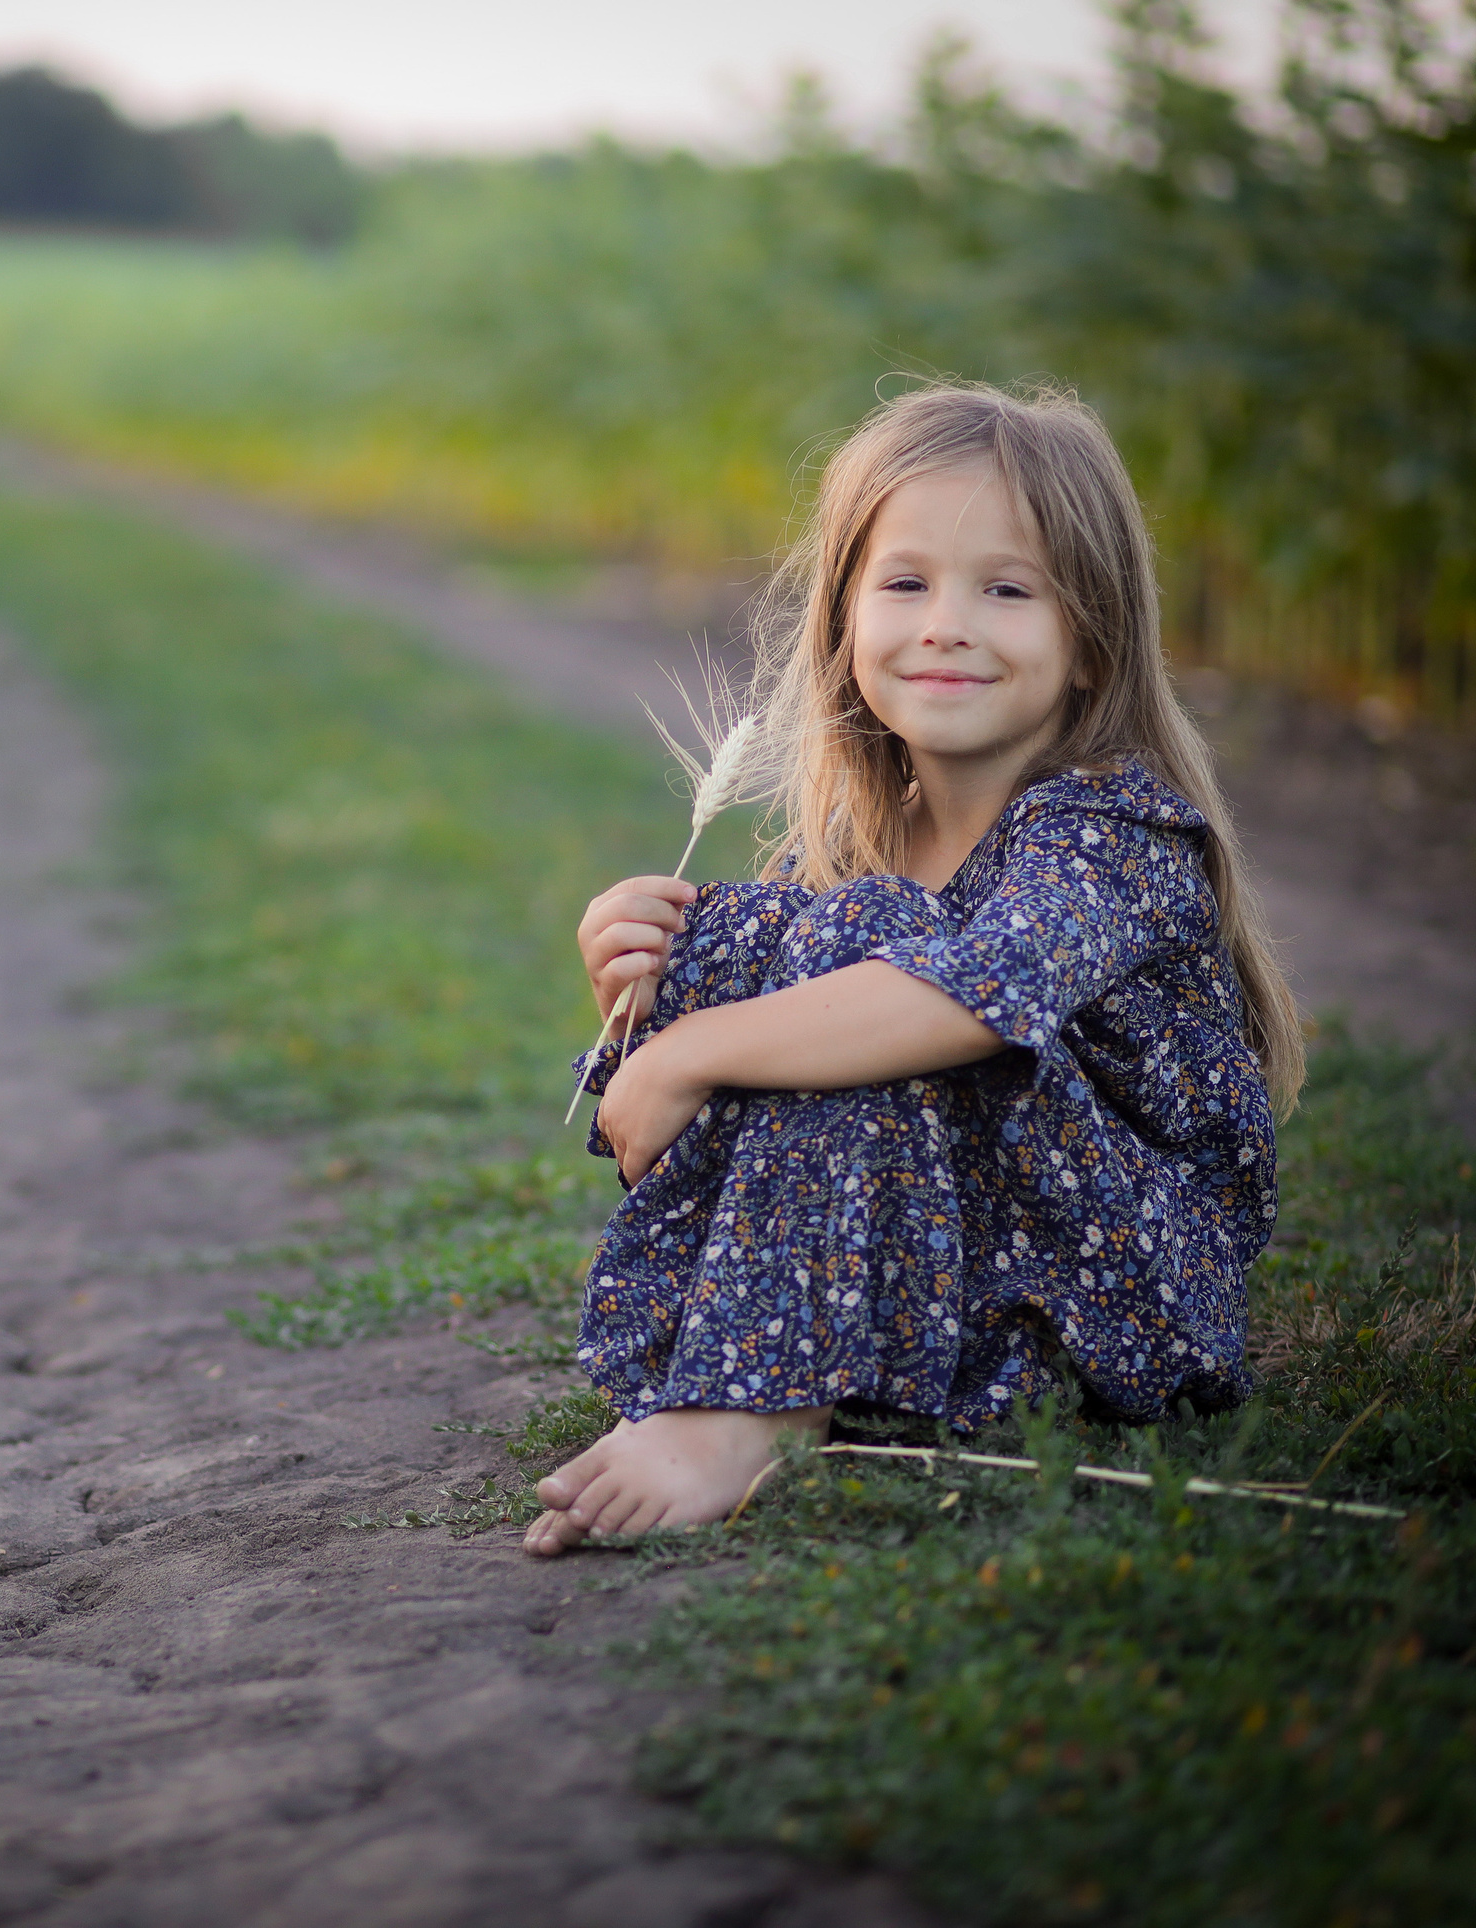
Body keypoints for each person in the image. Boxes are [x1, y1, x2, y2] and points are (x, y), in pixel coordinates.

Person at [524, 381, 1303, 1556]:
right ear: (841, 618)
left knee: (860, 966)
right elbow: (707, 1103)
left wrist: (694, 1047)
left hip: (1124, 1286)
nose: (945, 623)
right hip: (957, 1275)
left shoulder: (1114, 836)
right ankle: (805, 1356)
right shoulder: (856, 852)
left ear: (1089, 638)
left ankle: (759, 1405)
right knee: (761, 944)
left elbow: (970, 994)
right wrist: (643, 985)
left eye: (1005, 588)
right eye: (904, 583)